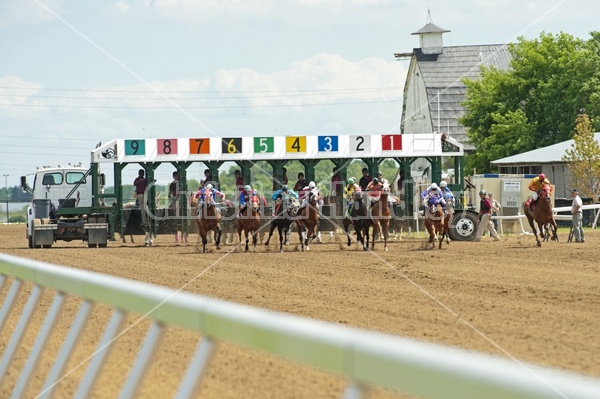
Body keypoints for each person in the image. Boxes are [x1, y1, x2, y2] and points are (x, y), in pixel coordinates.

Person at [133, 168, 152, 246]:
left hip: (144, 194)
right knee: (143, 207)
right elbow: (135, 184)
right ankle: (145, 220)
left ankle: (145, 220)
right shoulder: (139, 180)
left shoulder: (144, 180)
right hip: (141, 194)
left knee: (144, 208)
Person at [169, 171, 187, 243]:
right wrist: (170, 195)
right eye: (175, 176)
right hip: (175, 197)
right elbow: (170, 192)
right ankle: (175, 213)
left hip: (180, 197)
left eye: (176, 175)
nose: (176, 177)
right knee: (173, 205)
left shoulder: (181, 183)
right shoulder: (172, 184)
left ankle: (178, 212)